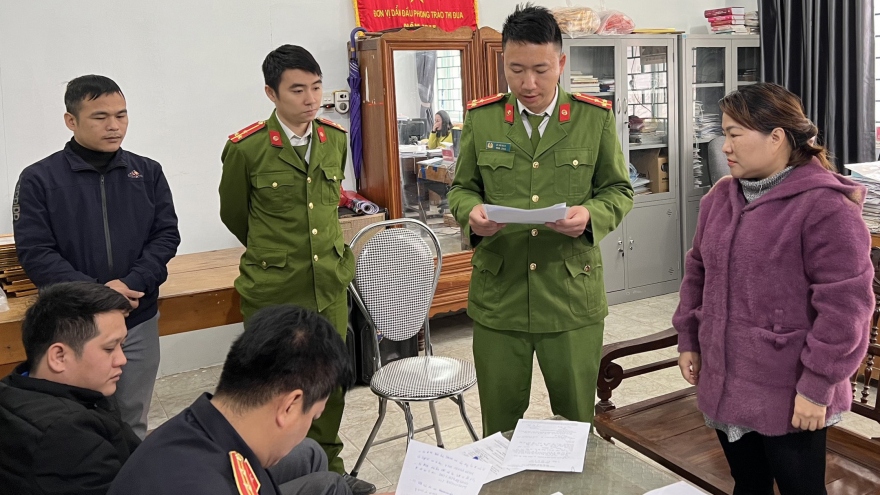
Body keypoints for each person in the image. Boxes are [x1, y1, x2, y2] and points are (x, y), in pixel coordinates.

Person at [673, 82, 874, 495]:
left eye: (734, 134)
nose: (724, 146)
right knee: (748, 484)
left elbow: (846, 309)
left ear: (777, 137)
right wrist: (688, 338)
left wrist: (817, 389)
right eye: (724, 134)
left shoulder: (826, 206)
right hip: (725, 379)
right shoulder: (720, 197)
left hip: (790, 390)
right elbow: (697, 272)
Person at [447, 3, 634, 436]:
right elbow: (461, 188)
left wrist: (590, 215)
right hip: (500, 295)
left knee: (575, 424)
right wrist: (470, 213)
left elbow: (618, 190)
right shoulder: (483, 119)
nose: (528, 83)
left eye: (540, 70)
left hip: (569, 294)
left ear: (561, 63)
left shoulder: (593, 118)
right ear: (504, 63)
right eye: (516, 70)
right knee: (499, 426)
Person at [218, 45, 373, 494]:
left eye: (316, 87)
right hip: (275, 289)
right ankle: (276, 474)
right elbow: (236, 216)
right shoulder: (247, 149)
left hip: (328, 286)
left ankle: (328, 467)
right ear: (272, 93)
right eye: (298, 90)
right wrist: (277, 252)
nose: (311, 99)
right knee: (274, 389)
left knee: (330, 383)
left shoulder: (333, 139)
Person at [13, 74, 181, 439]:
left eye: (121, 115)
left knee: (131, 420)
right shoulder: (39, 179)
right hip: (73, 324)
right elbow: (36, 252)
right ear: (70, 120)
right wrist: (100, 296)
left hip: (136, 318)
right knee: (70, 423)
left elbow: (165, 236)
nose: (114, 126)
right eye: (100, 117)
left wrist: (131, 283)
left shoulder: (147, 172)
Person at [109, 305, 390, 495]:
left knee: (309, 453)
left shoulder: (195, 428)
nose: (309, 426)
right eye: (312, 416)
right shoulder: (211, 483)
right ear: (290, 406)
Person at [0, 282, 141, 495]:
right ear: (59, 357)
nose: (122, 359)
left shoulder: (14, 387)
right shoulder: (69, 437)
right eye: (110, 348)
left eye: (122, 345)